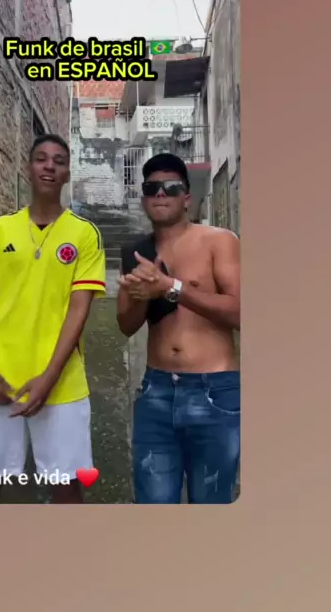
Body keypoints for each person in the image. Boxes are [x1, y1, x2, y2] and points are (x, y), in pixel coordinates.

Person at [0, 134, 106, 504]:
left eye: (59, 160)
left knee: (67, 487)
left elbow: (79, 309)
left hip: (62, 383)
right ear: (28, 168)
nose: (49, 166)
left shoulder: (84, 234)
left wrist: (49, 378)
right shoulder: (0, 230)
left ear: (67, 173)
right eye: (41, 158)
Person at [117, 153, 240, 504]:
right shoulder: (137, 253)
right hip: (156, 391)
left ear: (186, 197)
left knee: (211, 506)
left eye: (171, 187)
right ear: (144, 198)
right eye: (152, 187)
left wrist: (171, 287)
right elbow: (126, 325)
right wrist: (142, 295)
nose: (161, 193)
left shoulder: (219, 241)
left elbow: (241, 312)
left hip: (214, 391)